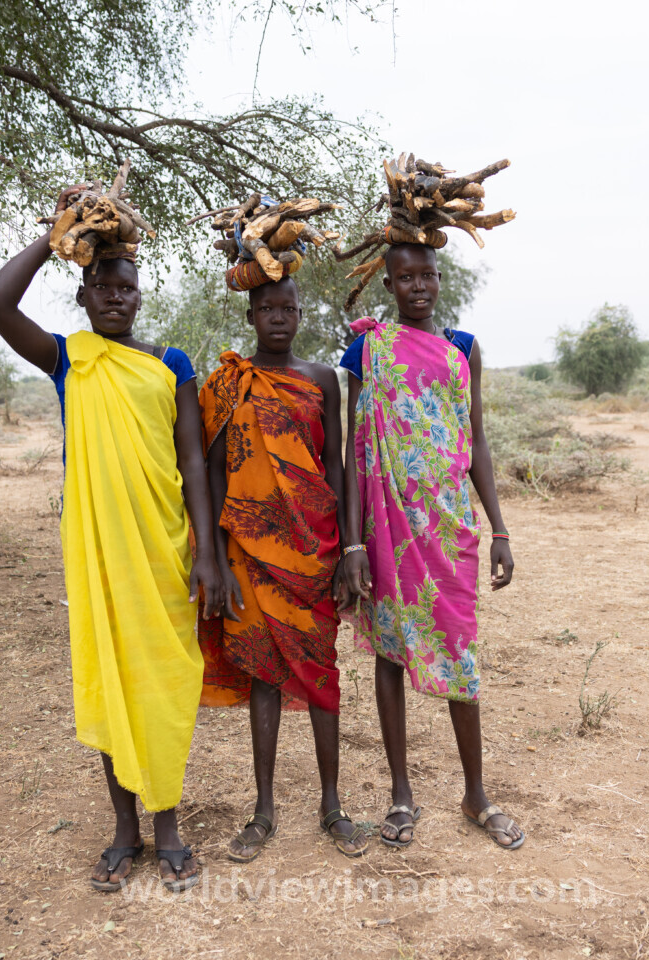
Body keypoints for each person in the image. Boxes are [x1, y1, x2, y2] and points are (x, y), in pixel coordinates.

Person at [0, 183, 223, 893]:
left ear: (140, 296)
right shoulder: (69, 359)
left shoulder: (170, 364)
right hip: (98, 551)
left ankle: (169, 823)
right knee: (111, 680)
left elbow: (192, 460)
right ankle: (125, 828)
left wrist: (207, 551)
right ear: (84, 295)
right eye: (102, 288)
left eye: (127, 288)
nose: (116, 298)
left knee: (166, 682)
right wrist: (54, 238)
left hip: (165, 547)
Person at [339, 241, 525, 851]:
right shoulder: (369, 348)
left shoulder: (463, 348)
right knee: (390, 654)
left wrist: (498, 528)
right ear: (388, 285)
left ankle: (476, 794)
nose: (418, 286)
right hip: (386, 526)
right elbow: (355, 446)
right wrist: (351, 543)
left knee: (458, 654)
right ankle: (400, 794)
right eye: (404, 277)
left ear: (440, 279)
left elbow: (476, 441)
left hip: (446, 527)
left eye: (427, 276)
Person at [198, 271, 368, 861]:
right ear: (250, 317)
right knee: (265, 675)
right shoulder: (227, 385)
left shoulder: (323, 380)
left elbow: (335, 466)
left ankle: (332, 804)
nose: (278, 317)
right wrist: (216, 560)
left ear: (300, 313)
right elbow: (217, 473)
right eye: (266, 308)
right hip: (250, 552)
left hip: (313, 551)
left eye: (288, 308)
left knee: (321, 672)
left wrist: (349, 550)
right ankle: (263, 809)